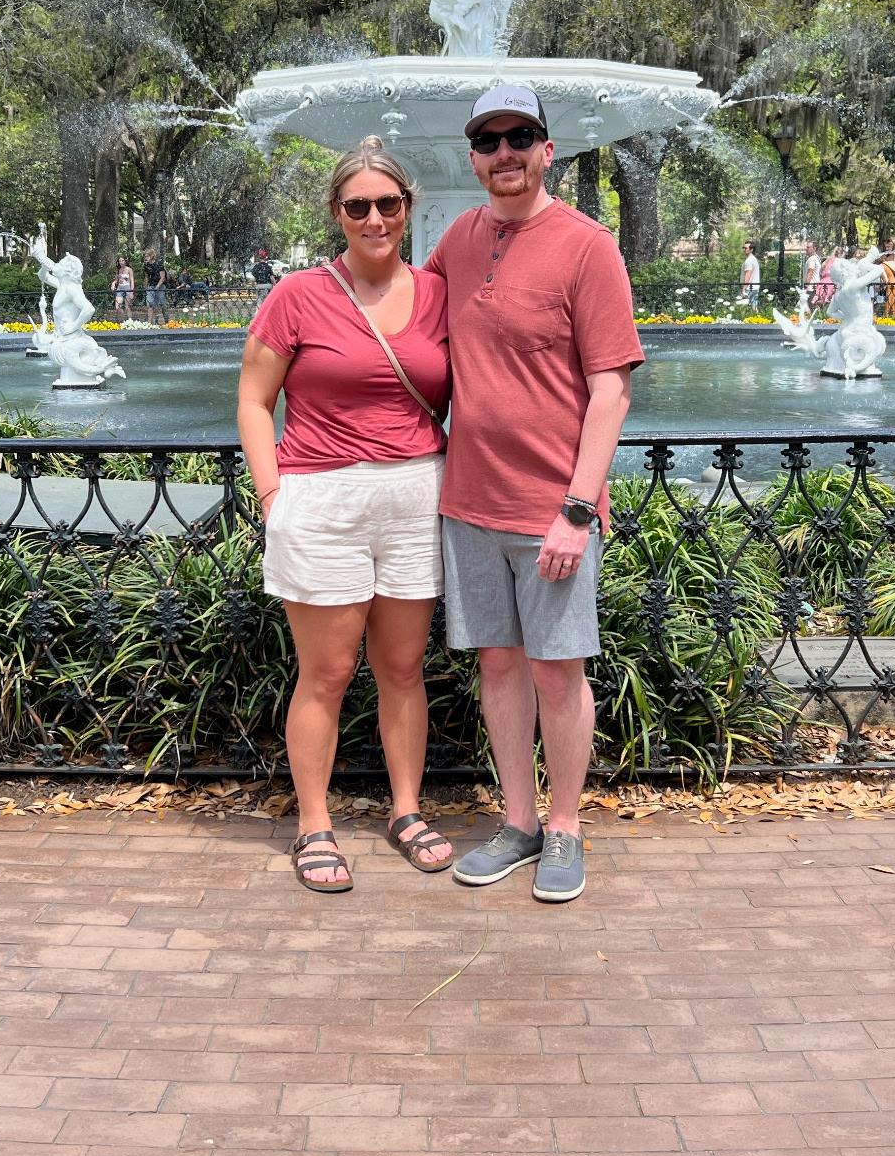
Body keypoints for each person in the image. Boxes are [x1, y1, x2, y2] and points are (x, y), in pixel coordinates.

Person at [432, 83, 642, 906]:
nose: (504, 154)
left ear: (548, 150)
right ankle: (517, 822)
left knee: (559, 672)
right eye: (489, 142)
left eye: (521, 137)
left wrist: (579, 508)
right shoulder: (458, 237)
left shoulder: (588, 247)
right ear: (475, 157)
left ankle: (564, 827)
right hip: (469, 504)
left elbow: (611, 388)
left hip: (552, 509)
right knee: (498, 665)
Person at [237, 138, 452, 895]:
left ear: (406, 210)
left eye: (387, 204)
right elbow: (254, 401)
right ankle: (315, 823)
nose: (373, 218)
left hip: (416, 498)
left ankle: (403, 809)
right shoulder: (297, 294)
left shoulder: (436, 294)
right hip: (321, 500)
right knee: (326, 673)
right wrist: (273, 497)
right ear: (337, 213)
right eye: (357, 205)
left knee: (401, 669)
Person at [142, 250, 169, 325]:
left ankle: (166, 321)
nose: (145, 258)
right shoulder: (146, 265)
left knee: (162, 304)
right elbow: (146, 277)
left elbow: (162, 278)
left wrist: (157, 287)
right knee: (150, 304)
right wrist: (145, 286)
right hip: (151, 286)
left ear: (151, 256)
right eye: (145, 256)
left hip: (160, 286)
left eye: (147, 256)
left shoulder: (159, 264)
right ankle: (149, 323)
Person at [739, 241, 762, 307]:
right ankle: (757, 317)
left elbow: (748, 275)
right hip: (754, 287)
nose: (744, 250)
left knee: (744, 308)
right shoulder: (753, 259)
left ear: (751, 250)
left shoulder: (749, 261)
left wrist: (743, 289)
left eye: (746, 248)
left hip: (749, 288)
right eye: (743, 248)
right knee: (753, 308)